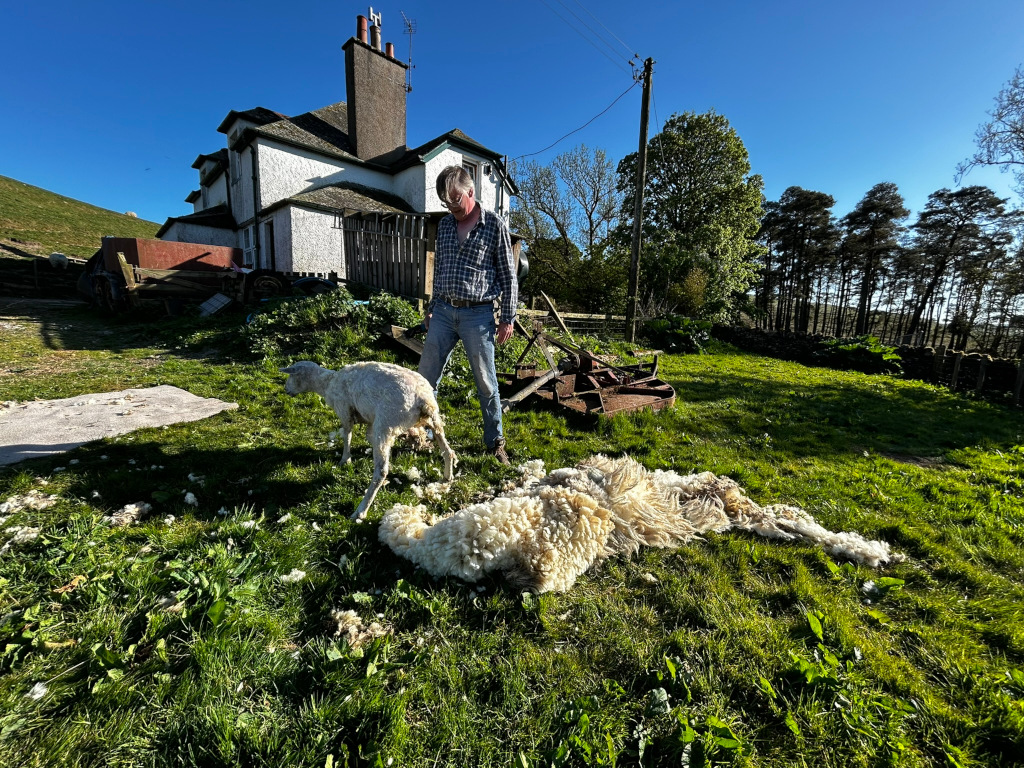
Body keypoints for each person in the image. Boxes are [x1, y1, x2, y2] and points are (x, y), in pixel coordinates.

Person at [418, 165, 518, 465]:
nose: (452, 207)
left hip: (478, 315)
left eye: (456, 200)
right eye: (446, 202)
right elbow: (441, 272)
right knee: (425, 379)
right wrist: (432, 307)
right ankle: (423, 435)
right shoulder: (446, 227)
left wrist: (507, 318)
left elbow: (508, 275)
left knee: (486, 382)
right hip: (444, 311)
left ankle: (495, 442)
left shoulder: (494, 226)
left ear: (471, 192)